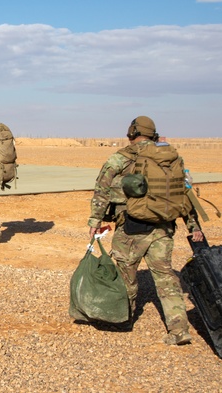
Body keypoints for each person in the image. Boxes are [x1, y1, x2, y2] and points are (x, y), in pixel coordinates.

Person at [87, 116, 204, 346]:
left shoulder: (121, 157)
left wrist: (94, 220)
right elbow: (184, 192)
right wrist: (194, 226)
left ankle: (124, 318)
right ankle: (179, 329)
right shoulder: (170, 158)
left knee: (125, 273)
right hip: (164, 227)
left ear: (132, 132)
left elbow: (102, 188)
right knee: (165, 277)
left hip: (132, 227)